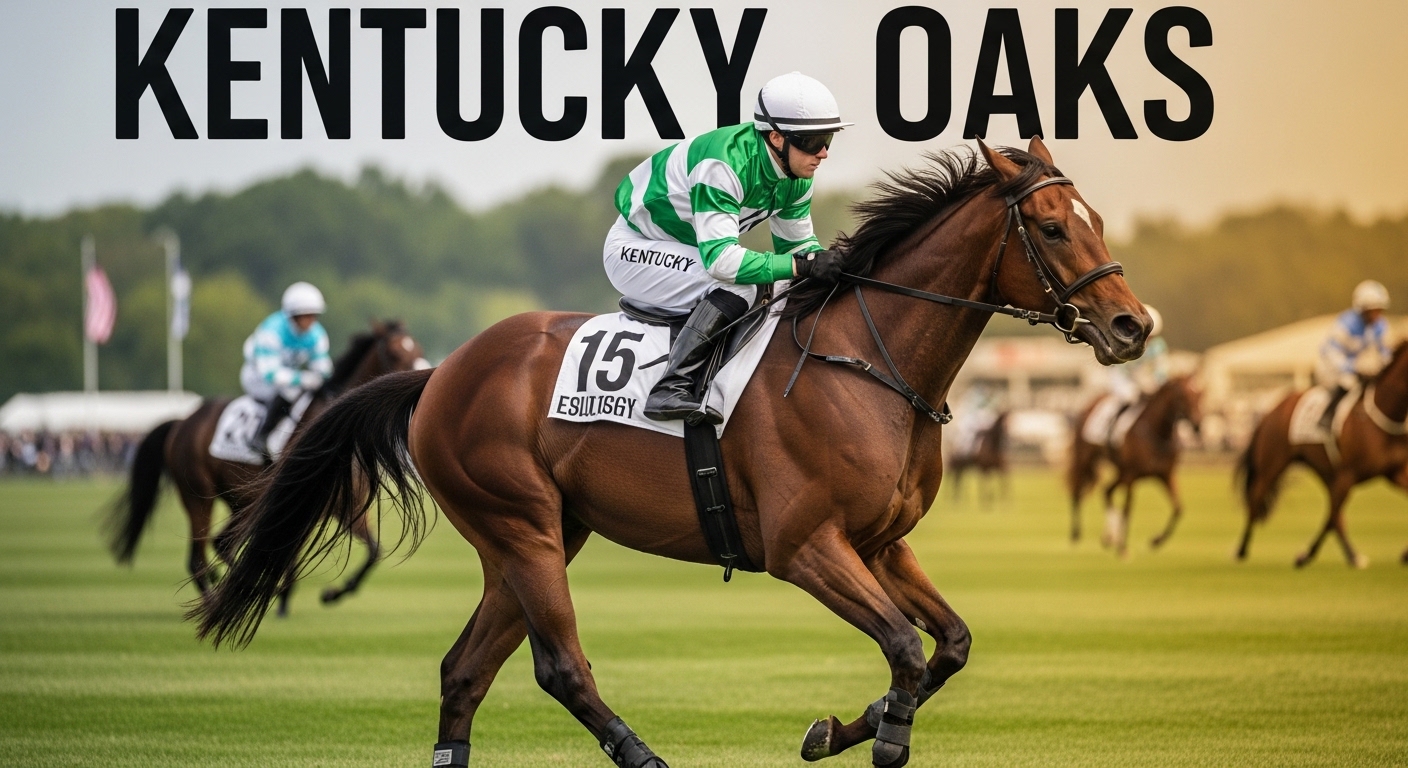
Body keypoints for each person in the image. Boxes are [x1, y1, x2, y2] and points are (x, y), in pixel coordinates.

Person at [604, 72, 852, 424]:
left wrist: (829, 265)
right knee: (740, 283)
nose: (824, 152)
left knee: (782, 282)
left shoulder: (795, 177)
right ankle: (670, 387)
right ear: (776, 137)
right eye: (813, 141)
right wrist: (801, 266)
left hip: (686, 250)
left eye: (829, 138)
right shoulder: (724, 164)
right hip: (635, 248)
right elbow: (722, 262)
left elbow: (799, 248)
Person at [240, 282, 333, 456]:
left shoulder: (316, 334)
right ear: (293, 315)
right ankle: (261, 436)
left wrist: (327, 376)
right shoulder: (271, 331)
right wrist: (306, 379)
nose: (312, 321)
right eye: (307, 316)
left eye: (314, 315)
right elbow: (270, 374)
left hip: (286, 375)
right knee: (292, 389)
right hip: (257, 378)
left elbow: (322, 365)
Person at [1316, 279, 1391, 432]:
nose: (1377, 314)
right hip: (1330, 367)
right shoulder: (1346, 323)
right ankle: (1326, 417)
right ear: (1362, 309)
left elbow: (1385, 351)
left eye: (1379, 309)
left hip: (1354, 366)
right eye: (1373, 310)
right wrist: (1350, 367)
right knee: (1348, 382)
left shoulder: (1380, 326)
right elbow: (1331, 352)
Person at [1110, 305, 1169, 405]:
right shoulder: (1125, 341)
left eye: (1151, 337)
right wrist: (1136, 384)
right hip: (1122, 376)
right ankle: (1109, 418)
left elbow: (1161, 367)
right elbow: (1122, 368)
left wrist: (1158, 383)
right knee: (1129, 396)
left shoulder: (1158, 346)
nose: (1147, 340)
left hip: (1142, 377)